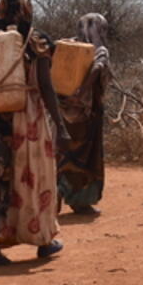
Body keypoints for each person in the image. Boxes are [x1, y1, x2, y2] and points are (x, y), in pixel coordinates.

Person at [0, 0, 69, 265]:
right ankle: (42, 241)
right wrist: (60, 123)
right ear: (27, 9)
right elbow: (45, 86)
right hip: (27, 119)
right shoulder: (37, 43)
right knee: (33, 177)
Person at [56, 12, 110, 214]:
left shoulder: (68, 46)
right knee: (88, 156)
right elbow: (98, 68)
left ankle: (59, 191)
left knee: (64, 151)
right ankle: (81, 202)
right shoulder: (100, 49)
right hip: (88, 113)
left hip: (64, 109)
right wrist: (83, 91)